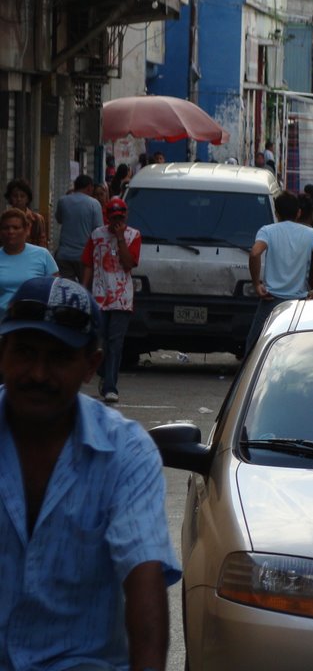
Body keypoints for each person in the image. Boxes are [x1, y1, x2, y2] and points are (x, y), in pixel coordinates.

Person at [0, 275, 180, 669]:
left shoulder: (125, 453)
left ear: (90, 365)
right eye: (25, 352)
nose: (38, 373)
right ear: (2, 352)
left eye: (59, 357)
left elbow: (143, 573)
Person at [246, 192, 313, 353]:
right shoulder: (311, 234)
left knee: (255, 347)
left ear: (276, 213)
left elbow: (255, 253)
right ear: (298, 212)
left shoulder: (267, 231)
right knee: (298, 348)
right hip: (299, 302)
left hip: (270, 301)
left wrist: (257, 284)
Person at [82, 197, 142, 404]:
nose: (117, 219)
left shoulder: (133, 235)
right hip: (99, 297)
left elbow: (128, 263)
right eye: (113, 215)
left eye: (121, 215)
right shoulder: (96, 235)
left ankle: (110, 386)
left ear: (125, 215)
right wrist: (83, 289)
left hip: (121, 299)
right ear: (107, 216)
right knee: (100, 342)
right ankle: (103, 373)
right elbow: (88, 264)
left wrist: (120, 238)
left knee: (115, 343)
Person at [0, 209, 58, 318]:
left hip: (35, 322)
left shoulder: (42, 255)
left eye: (16, 227)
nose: (10, 231)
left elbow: (55, 289)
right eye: (6, 228)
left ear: (27, 230)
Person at [55, 174, 104, 282]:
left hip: (64, 255)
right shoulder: (94, 204)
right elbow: (99, 231)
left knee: (66, 291)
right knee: (85, 291)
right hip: (85, 257)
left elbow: (59, 219)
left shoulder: (63, 201)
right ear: (89, 187)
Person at [5, 178, 48, 249]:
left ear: (27, 198)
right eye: (15, 196)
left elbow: (42, 244)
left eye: (22, 196)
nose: (19, 199)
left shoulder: (37, 219)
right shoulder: (4, 219)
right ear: (10, 198)